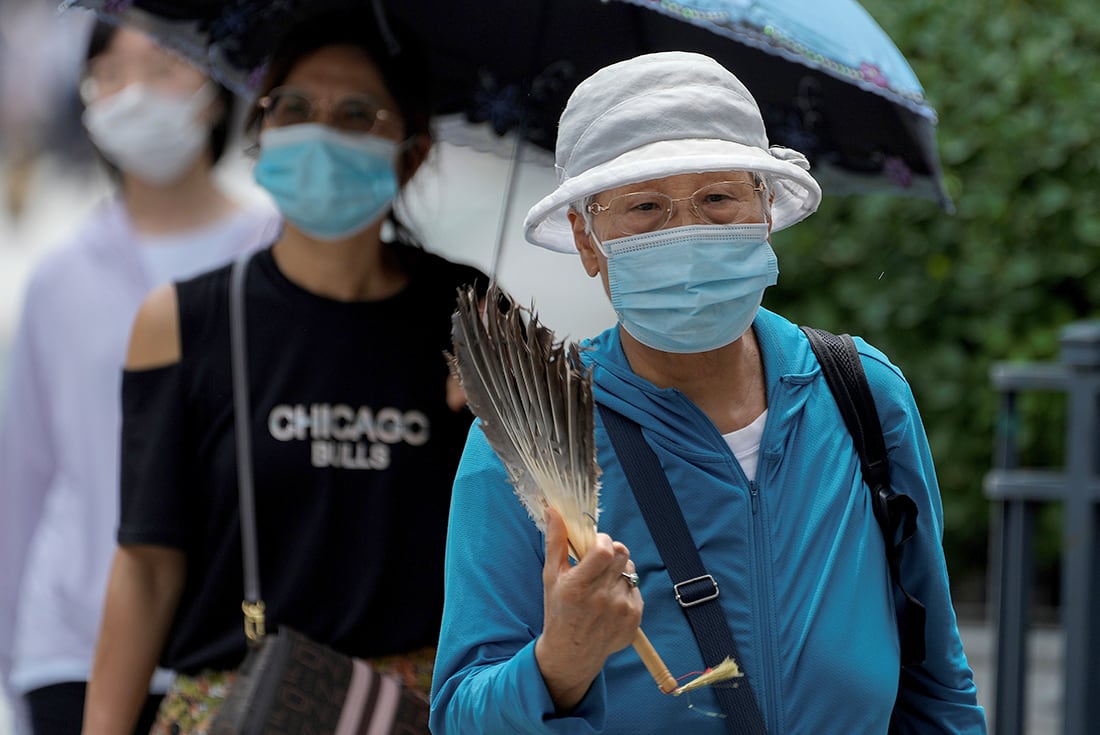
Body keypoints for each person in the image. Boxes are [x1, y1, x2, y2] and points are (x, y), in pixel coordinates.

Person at [431, 52, 988, 734]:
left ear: (765, 207)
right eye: (645, 207)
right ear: (586, 237)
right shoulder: (529, 434)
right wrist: (559, 662)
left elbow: (938, 685)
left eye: (718, 199)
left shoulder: (861, 394)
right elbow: (460, 713)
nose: (687, 234)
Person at [81, 9, 487, 735]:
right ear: (260, 130)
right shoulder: (185, 319)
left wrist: (507, 406)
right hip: (235, 705)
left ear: (413, 150)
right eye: (293, 107)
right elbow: (146, 563)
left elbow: (530, 526)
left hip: (415, 711)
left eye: (357, 113)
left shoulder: (470, 313)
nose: (321, 130)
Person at [0, 20, 279, 735]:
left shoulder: (276, 255)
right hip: (70, 645)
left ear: (219, 89)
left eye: (164, 69)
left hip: (235, 643)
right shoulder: (59, 275)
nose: (136, 96)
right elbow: (23, 477)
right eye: (111, 73)